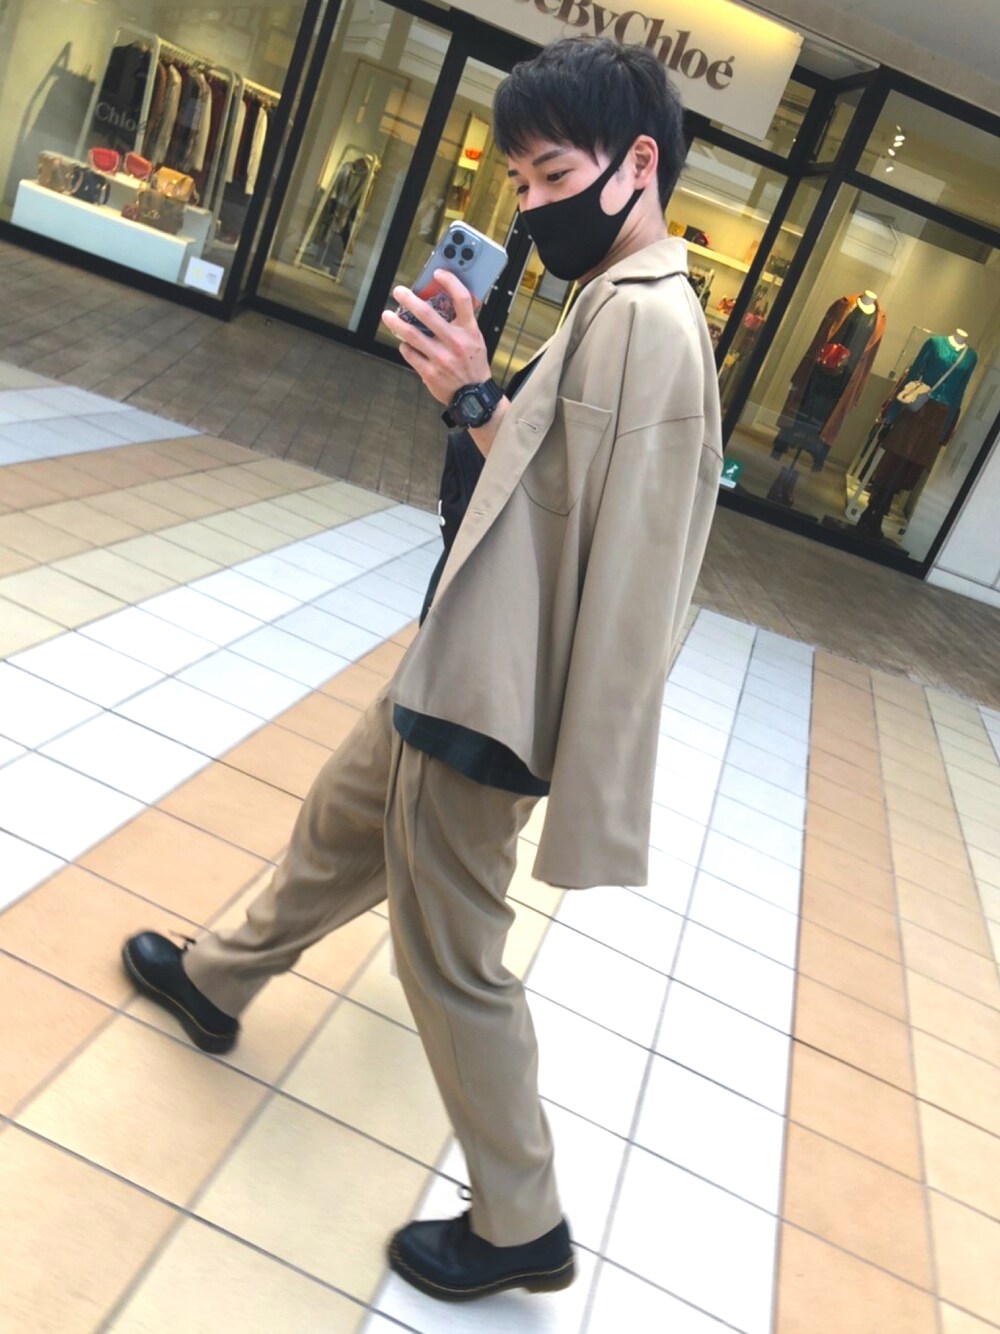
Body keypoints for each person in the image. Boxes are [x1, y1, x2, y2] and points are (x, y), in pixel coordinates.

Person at [122, 36, 722, 1304]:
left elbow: (621, 559)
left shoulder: (650, 324)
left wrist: (475, 400)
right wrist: (474, 392)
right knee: (343, 818)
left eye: (551, 173)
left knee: (450, 957)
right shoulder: (612, 297)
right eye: (519, 180)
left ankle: (522, 1218)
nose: (531, 203)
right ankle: (218, 977)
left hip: (498, 693)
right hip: (462, 651)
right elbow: (554, 484)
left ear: (638, 163)